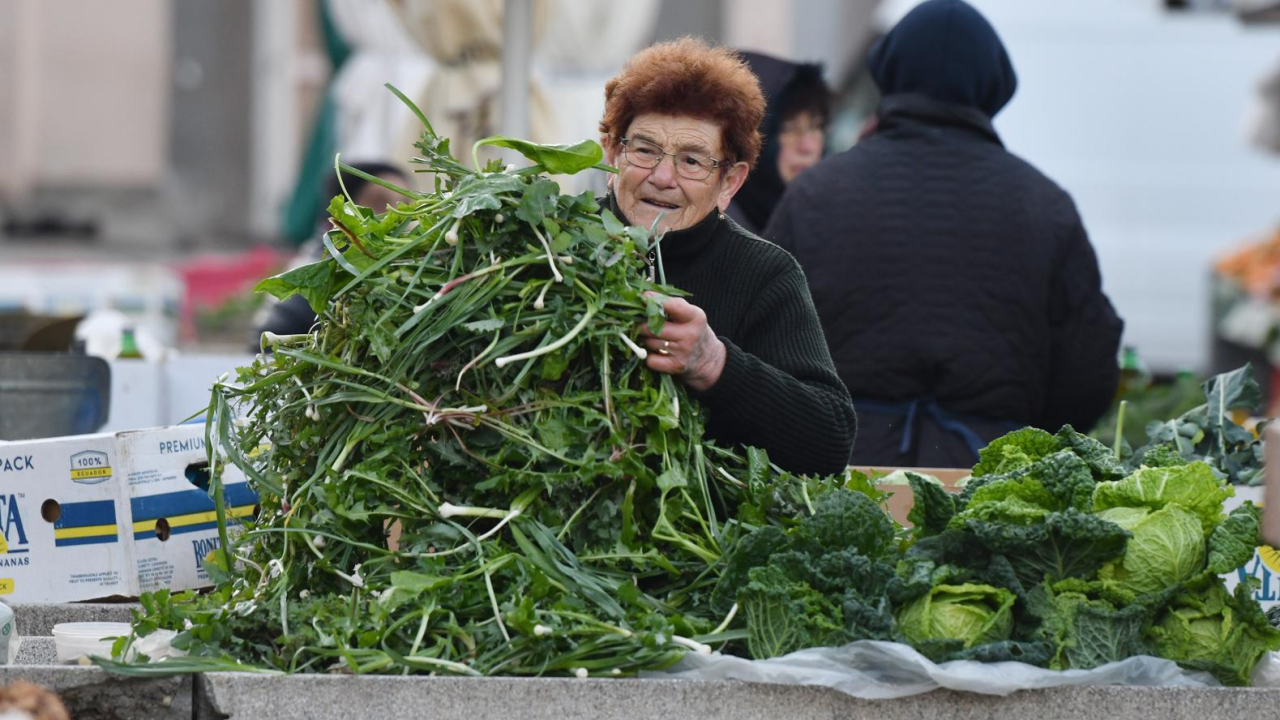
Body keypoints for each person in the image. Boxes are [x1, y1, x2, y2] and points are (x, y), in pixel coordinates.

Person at [763, 0, 1123, 468]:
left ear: (888, 72)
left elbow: (760, 332)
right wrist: (1030, 436)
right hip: (994, 474)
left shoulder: (816, 192)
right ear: (994, 85)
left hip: (838, 469)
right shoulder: (1044, 204)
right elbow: (1090, 361)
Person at [599, 37, 856, 476]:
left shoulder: (764, 274)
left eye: (692, 161)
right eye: (644, 150)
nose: (663, 177)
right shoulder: (549, 248)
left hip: (699, 519)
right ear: (612, 152)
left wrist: (714, 364)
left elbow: (830, 439)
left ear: (730, 183)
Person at [253, 162, 409, 344]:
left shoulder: (407, 268)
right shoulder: (315, 271)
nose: (396, 215)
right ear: (343, 210)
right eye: (380, 203)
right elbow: (267, 344)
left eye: (405, 205)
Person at [726, 51, 830, 235]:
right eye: (788, 129)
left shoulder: (826, 218)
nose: (808, 147)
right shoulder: (717, 233)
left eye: (817, 127)